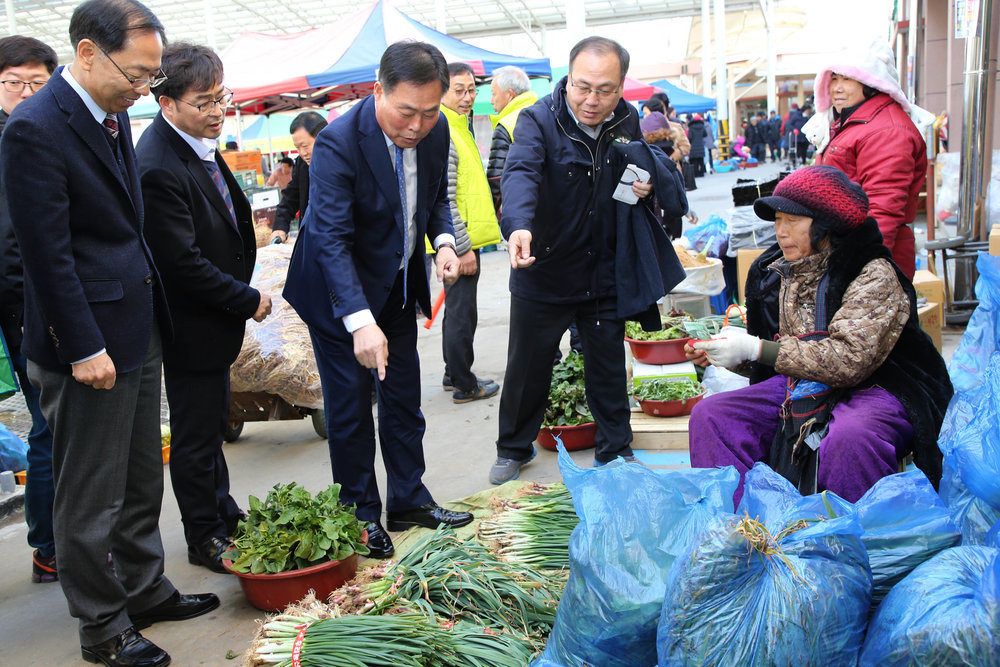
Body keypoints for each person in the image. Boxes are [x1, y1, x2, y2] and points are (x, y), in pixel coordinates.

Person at [0, 2, 219, 665]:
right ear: (89, 52)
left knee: (139, 477)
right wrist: (82, 343)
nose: (145, 86)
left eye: (152, 75)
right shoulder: (36, 128)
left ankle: (146, 587)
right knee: (89, 493)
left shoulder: (115, 112)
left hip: (135, 323)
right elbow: (45, 252)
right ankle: (103, 627)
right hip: (87, 341)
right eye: (139, 72)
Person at [283, 41, 473, 560]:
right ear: (377, 91)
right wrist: (359, 321)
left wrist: (447, 246)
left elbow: (433, 201)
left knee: (403, 397)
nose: (415, 125)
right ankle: (360, 514)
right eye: (406, 111)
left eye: (429, 112)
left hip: (393, 284)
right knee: (349, 408)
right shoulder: (339, 143)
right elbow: (331, 239)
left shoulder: (436, 135)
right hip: (334, 293)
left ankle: (409, 498)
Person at [685, 166, 952, 505]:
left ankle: (852, 541)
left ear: (827, 224)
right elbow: (786, 355)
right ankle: (745, 530)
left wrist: (756, 349)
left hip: (882, 382)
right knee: (713, 417)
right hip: (808, 382)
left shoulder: (873, 273)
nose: (781, 232)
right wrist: (731, 355)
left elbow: (849, 360)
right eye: (777, 220)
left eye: (793, 221)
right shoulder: (785, 270)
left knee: (850, 437)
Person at [490, 36, 686, 484]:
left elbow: (635, 164)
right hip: (545, 268)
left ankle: (615, 448)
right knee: (529, 366)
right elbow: (519, 172)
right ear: (568, 78)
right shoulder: (538, 119)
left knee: (605, 364)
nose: (592, 100)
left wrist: (642, 184)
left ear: (621, 88)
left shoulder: (626, 118)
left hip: (603, 265)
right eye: (583, 87)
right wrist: (518, 223)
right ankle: (512, 448)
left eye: (605, 90)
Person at [136, 42, 272, 574]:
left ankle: (223, 511)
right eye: (203, 102)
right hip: (191, 324)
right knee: (195, 435)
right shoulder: (158, 164)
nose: (217, 111)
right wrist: (247, 298)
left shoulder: (194, 146)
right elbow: (182, 264)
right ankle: (204, 534)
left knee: (213, 422)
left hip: (212, 323)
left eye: (222, 98)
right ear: (167, 103)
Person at [0, 34, 59, 585]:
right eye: (12, 81)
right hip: (25, 305)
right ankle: (49, 546)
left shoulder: (36, 132)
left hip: (32, 300)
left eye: (36, 83)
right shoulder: (13, 141)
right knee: (48, 423)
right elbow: (13, 244)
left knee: (52, 423)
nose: (23, 91)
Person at [803, 42, 934, 279]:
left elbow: (882, 209)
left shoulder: (887, 130)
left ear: (871, 82)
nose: (837, 88)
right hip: (844, 249)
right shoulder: (856, 121)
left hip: (867, 259)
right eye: (834, 78)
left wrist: (861, 271)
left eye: (847, 79)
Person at [435, 62, 502, 403]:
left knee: (457, 310)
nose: (467, 97)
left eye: (471, 89)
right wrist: (462, 247)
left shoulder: (460, 126)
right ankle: (464, 382)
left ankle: (452, 373)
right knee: (462, 313)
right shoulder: (445, 129)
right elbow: (445, 196)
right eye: (458, 90)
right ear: (441, 91)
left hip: (465, 238)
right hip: (459, 243)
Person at [269, 110, 326, 243]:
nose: (302, 153)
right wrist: (280, 227)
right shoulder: (302, 164)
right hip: (311, 239)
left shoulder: (344, 162)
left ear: (324, 138)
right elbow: (291, 196)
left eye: (305, 146)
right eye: (297, 148)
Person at [486, 65, 537, 212]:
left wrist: (494, 212)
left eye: (493, 94)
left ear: (509, 94)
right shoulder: (547, 114)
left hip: (521, 210)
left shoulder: (507, 124)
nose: (491, 101)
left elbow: (496, 178)